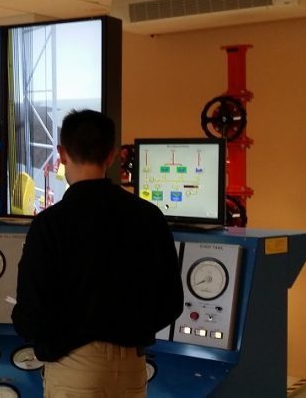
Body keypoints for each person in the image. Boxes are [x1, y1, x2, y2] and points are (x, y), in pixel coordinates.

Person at [11, 109, 183, 398]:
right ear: (111, 155)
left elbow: (30, 311)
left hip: (72, 369)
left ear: (62, 154)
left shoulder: (50, 224)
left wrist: (52, 338)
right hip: (131, 369)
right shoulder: (149, 217)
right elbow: (171, 303)